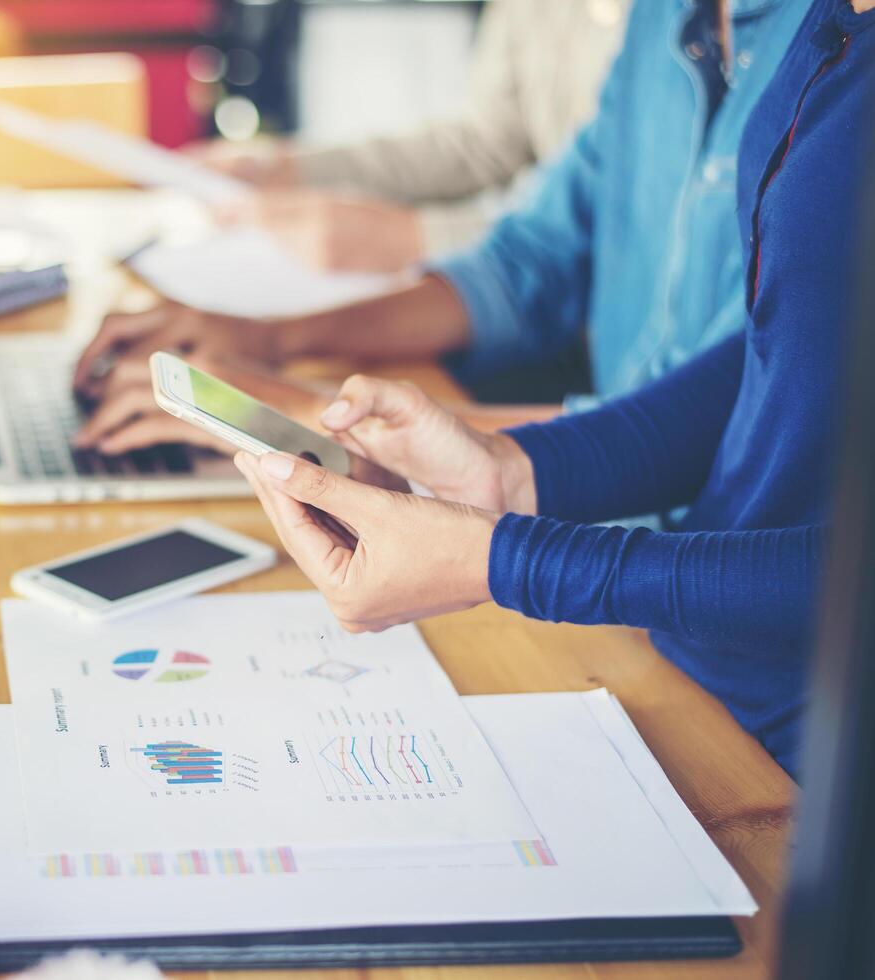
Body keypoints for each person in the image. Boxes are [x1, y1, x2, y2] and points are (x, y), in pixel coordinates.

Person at [231, 0, 872, 777]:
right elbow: (780, 354)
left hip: (820, 759)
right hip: (706, 670)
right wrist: (510, 470)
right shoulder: (830, 27)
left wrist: (510, 560)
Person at [73, 0, 810, 455]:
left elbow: (724, 420)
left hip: (687, 563)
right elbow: (527, 262)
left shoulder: (829, 52)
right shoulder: (660, 24)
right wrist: (267, 340)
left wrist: (316, 417)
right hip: (596, 499)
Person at [198, 0, 628, 272]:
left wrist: (415, 238)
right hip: (541, 291)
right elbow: (485, 141)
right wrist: (288, 169)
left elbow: (628, 227)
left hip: (601, 336)